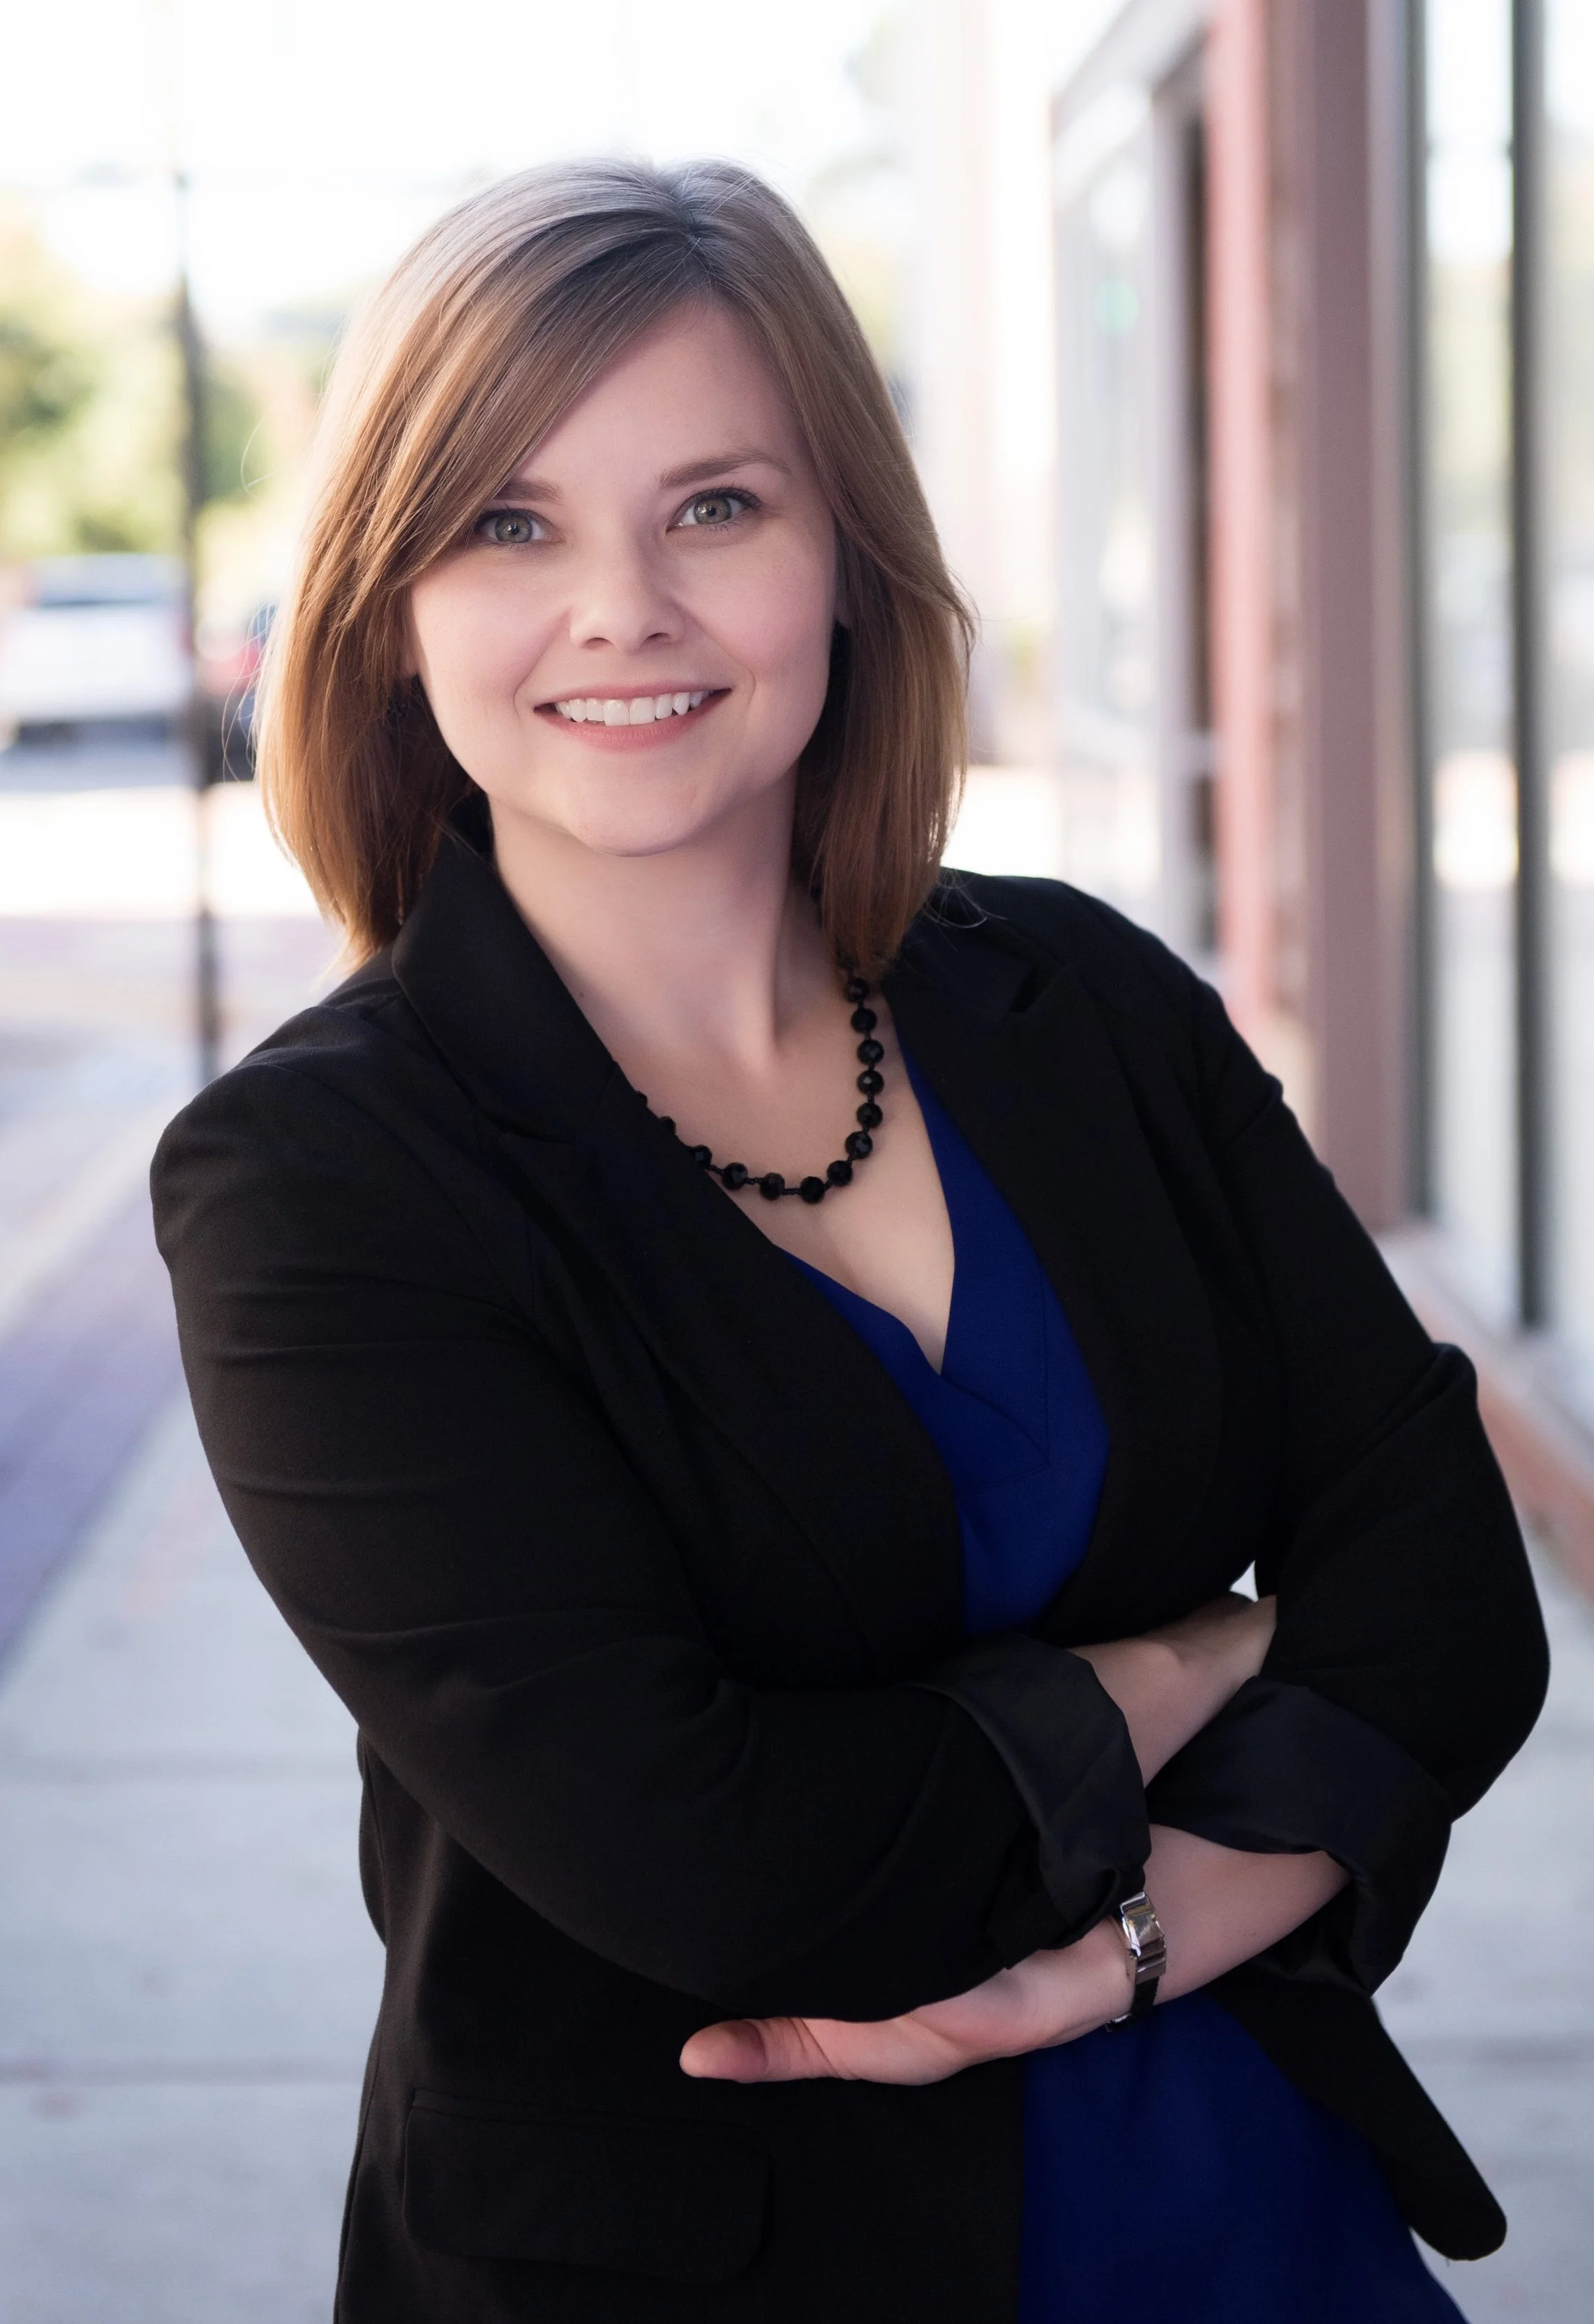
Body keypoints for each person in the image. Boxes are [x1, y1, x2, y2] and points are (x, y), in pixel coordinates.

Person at [151, 159, 1548, 2323]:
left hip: (1245, 2209)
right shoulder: (321, 1186)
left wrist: (1116, 1956)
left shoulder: (1084, 1008)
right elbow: (718, 1865)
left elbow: (1450, 1592)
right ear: (389, 606)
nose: (623, 606)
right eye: (506, 523)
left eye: (715, 505)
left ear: (845, 562)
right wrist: (1206, 1653)